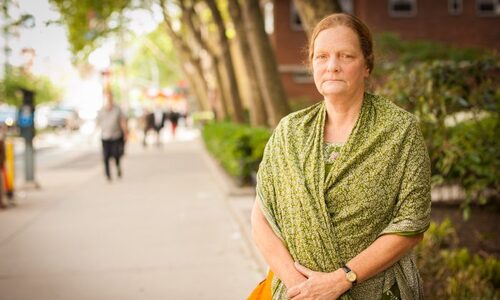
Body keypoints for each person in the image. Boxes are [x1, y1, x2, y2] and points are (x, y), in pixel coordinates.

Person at [250, 13, 431, 300]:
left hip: (377, 292)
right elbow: (262, 218)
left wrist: (342, 279)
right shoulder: (289, 132)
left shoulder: (399, 130)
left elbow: (412, 224)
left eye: (346, 56)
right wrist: (301, 287)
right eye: (321, 56)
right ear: (311, 64)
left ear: (367, 65)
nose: (332, 66)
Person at [97, 91, 128, 181]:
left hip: (116, 135)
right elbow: (98, 122)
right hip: (105, 136)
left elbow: (122, 121)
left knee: (116, 154)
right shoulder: (101, 110)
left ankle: (118, 167)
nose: (109, 99)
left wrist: (125, 132)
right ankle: (108, 174)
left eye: (110, 97)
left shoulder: (117, 109)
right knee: (105, 156)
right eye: (107, 97)